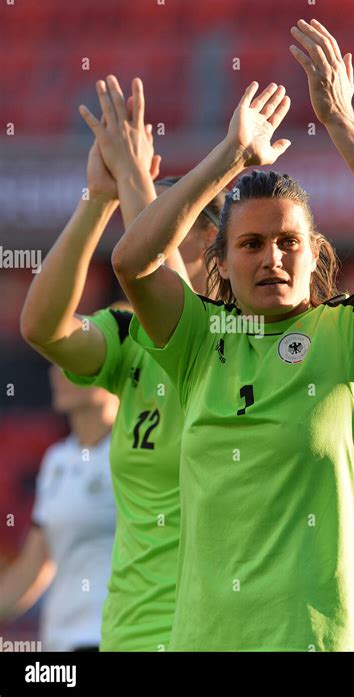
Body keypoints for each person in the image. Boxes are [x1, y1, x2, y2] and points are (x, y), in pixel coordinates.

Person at [111, 19, 354, 651]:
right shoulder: (198, 339)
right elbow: (132, 262)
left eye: (289, 242)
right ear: (224, 262)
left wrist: (340, 119)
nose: (272, 258)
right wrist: (229, 158)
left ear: (315, 255)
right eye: (251, 244)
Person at [20, 76, 225, 651]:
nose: (151, 230)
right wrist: (97, 200)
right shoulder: (127, 333)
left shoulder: (241, 340)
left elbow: (158, 282)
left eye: (173, 222)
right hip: (125, 635)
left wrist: (132, 177)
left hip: (206, 636)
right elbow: (43, 327)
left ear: (218, 252)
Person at [0, 366, 117, 652]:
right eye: (54, 361)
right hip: (60, 644)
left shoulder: (143, 456)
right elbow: (33, 566)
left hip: (115, 639)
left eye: (74, 360)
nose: (57, 372)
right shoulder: (57, 460)